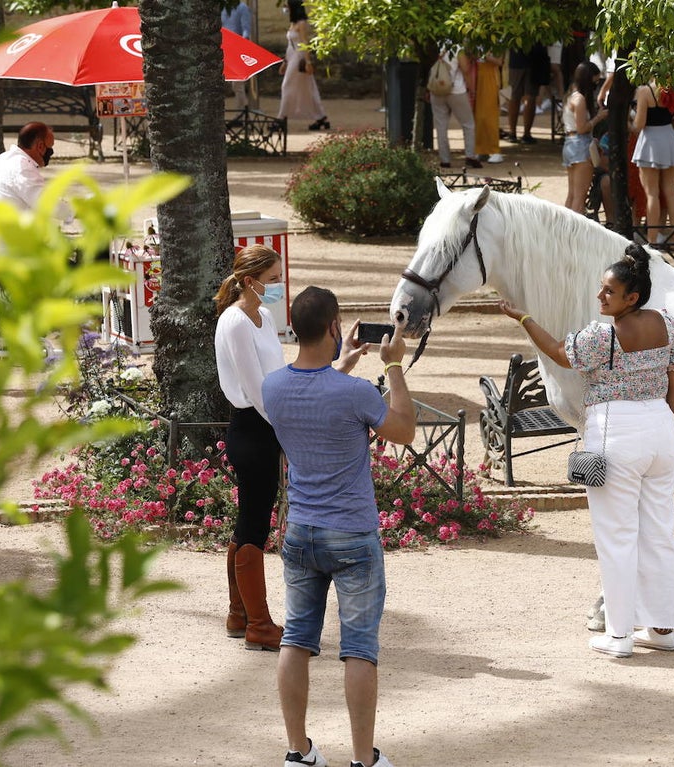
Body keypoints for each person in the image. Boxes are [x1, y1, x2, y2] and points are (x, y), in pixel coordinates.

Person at [499, 244, 674, 658]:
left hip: (617, 431)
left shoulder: (601, 336)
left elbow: (559, 354)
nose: (600, 296)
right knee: (658, 533)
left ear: (632, 297)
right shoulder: (668, 325)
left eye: (609, 291)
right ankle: (663, 630)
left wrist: (524, 319)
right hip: (660, 428)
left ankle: (619, 635)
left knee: (617, 536)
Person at [262, 286, 415, 767]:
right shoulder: (353, 394)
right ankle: (363, 760)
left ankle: (297, 752)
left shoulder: (272, 387)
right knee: (359, 648)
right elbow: (404, 430)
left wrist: (340, 361)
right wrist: (393, 366)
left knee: (297, 639)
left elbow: (312, 394)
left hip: (301, 531)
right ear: (333, 327)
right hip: (351, 534)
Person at [212, 244, 288, 651]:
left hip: (267, 426)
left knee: (251, 520)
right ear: (249, 280)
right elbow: (255, 388)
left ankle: (239, 614)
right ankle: (257, 623)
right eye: (274, 279)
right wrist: (286, 425)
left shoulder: (264, 316)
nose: (279, 285)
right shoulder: (236, 321)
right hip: (253, 427)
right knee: (254, 526)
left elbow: (274, 374)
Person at [0, 122, 73, 223]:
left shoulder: (4, 158)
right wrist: (78, 209)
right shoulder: (22, 167)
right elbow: (45, 202)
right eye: (50, 148)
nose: (50, 153)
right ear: (40, 146)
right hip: (7, 235)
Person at [632, 80, 674, 242]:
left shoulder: (644, 91)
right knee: (671, 191)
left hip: (650, 141)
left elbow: (639, 124)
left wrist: (629, 122)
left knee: (652, 194)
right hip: (669, 139)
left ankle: (652, 239)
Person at [562, 62, 608, 214]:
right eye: (594, 82)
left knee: (572, 194)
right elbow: (582, 128)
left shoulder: (570, 95)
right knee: (579, 197)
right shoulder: (580, 99)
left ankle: (564, 231)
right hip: (580, 146)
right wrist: (599, 118)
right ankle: (575, 233)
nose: (595, 86)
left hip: (570, 144)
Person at [278, 0, 329, 131]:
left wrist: (308, 62)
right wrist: (285, 61)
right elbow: (290, 45)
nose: (285, 8)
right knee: (308, 88)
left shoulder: (302, 23)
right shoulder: (293, 23)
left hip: (299, 58)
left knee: (286, 86)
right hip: (292, 55)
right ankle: (321, 117)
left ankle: (281, 118)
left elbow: (305, 43)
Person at [430, 46, 481, 169]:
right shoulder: (457, 47)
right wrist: (472, 89)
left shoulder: (433, 45)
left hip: (436, 89)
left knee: (441, 126)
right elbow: (465, 69)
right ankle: (470, 156)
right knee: (468, 124)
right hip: (456, 90)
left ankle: (445, 159)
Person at [473, 50, 504, 163]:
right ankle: (481, 149)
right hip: (477, 77)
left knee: (489, 117)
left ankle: (495, 150)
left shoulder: (495, 41)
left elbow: (500, 61)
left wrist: (486, 56)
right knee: (479, 117)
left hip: (490, 79)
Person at [221, 0, 252, 109]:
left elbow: (246, 30)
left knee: (237, 84)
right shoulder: (222, 7)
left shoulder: (242, 7)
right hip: (223, 48)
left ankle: (241, 112)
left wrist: (241, 46)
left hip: (237, 48)